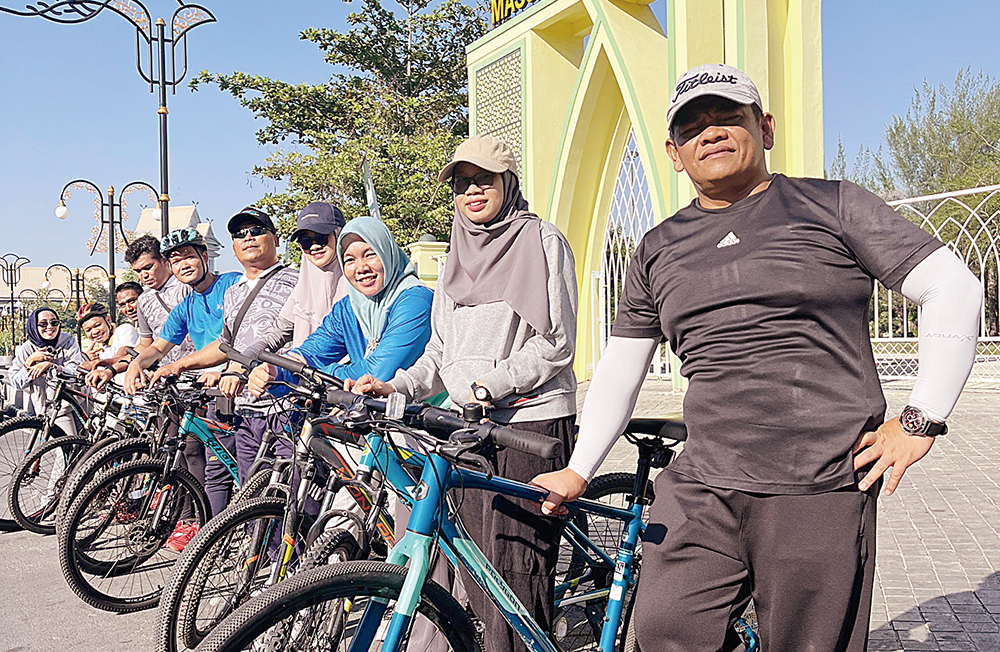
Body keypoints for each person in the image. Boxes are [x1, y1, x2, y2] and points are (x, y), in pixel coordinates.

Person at [531, 64, 985, 652]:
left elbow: (953, 289)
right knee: (667, 628)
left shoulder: (833, 206)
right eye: (693, 127)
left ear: (765, 128)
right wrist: (580, 467)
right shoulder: (657, 248)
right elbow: (622, 367)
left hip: (818, 481)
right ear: (673, 152)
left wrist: (921, 420)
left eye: (728, 117)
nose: (711, 132)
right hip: (703, 481)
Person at [351, 135, 579, 652]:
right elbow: (438, 353)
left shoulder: (543, 242)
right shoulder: (455, 257)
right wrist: (398, 385)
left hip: (528, 421)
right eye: (461, 183)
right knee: (475, 564)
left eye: (483, 180)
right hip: (465, 428)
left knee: (516, 565)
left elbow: (558, 343)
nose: (472, 191)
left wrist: (489, 385)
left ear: (508, 183)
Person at [147, 207, 298, 499]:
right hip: (244, 407)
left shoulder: (296, 280)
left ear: (276, 240)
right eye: (240, 234)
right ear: (232, 247)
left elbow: (282, 335)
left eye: (257, 231)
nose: (248, 238)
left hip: (285, 405)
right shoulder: (236, 291)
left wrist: (236, 369)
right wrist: (178, 366)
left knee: (290, 497)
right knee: (250, 497)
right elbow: (225, 345)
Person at [124, 227, 242, 530]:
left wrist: (180, 366)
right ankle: (212, 538)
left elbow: (231, 343)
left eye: (189, 256)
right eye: (177, 261)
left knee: (242, 466)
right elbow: (158, 346)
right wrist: (136, 365)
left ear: (204, 256)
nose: (183, 265)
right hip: (207, 390)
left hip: (238, 386)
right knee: (212, 468)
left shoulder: (231, 285)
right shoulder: (187, 304)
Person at [247, 215, 433, 392]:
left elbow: (378, 371)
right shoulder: (349, 307)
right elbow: (311, 353)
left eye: (370, 255)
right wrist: (275, 372)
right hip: (369, 414)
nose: (361, 268)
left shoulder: (415, 300)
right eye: (350, 260)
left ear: (387, 253)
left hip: (422, 417)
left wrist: (315, 374)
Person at [242, 202, 350, 357]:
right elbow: (277, 334)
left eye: (321, 238)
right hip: (301, 376)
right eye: (305, 242)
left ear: (339, 235)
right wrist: (251, 353)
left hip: (349, 378)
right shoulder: (302, 290)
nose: (314, 246)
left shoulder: (359, 283)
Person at [8, 307, 84, 433]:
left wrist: (51, 366)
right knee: (64, 448)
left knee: (73, 447)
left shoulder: (68, 341)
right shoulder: (28, 348)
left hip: (71, 404)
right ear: (34, 326)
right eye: (43, 324)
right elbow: (15, 382)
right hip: (45, 408)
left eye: (54, 323)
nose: (50, 327)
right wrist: (29, 363)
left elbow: (77, 372)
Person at [77, 302, 139, 371]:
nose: (95, 332)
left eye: (97, 325)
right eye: (88, 330)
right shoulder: (102, 350)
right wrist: (88, 362)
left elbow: (122, 358)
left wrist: (97, 363)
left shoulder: (124, 329)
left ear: (108, 320)